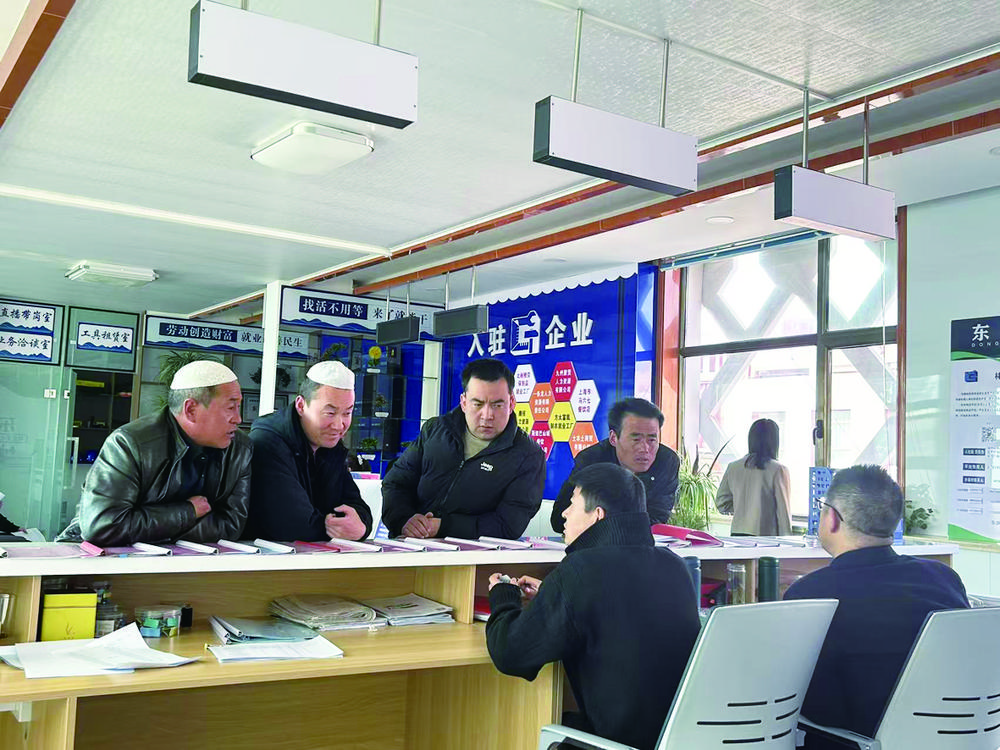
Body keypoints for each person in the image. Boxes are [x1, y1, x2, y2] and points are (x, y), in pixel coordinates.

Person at [486, 463, 700, 750]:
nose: (564, 513)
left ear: (597, 515)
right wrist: (552, 593)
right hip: (679, 739)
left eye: (572, 504)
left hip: (615, 742)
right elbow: (617, 603)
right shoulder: (674, 565)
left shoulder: (580, 570)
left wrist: (503, 595)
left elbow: (510, 653)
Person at [784, 465, 969, 748]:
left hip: (852, 741)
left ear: (831, 518)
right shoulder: (944, 579)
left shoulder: (809, 594)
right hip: (948, 738)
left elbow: (796, 697)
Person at [57, 360, 251, 546]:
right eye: (230, 407)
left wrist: (150, 527)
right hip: (93, 557)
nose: (238, 418)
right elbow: (103, 526)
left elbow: (230, 527)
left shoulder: (240, 449)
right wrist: (189, 511)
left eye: (239, 407)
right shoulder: (130, 444)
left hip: (185, 560)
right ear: (191, 409)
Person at [381, 357, 545, 539]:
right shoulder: (435, 431)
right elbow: (396, 483)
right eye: (478, 404)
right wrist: (404, 520)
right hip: (408, 545)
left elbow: (507, 525)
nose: (487, 415)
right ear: (464, 402)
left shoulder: (528, 456)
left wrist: (442, 527)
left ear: (512, 403)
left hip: (472, 554)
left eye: (497, 405)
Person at [245, 361, 372, 542]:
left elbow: (358, 508)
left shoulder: (330, 447)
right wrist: (341, 528)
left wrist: (361, 528)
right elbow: (294, 524)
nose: (339, 425)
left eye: (347, 413)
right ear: (301, 405)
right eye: (330, 413)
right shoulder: (267, 443)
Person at [551, 397, 679, 533]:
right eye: (636, 439)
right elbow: (560, 519)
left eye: (652, 440)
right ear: (613, 438)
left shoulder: (667, 461)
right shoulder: (591, 460)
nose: (645, 448)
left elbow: (657, 518)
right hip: (596, 541)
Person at [714, 418, 791, 535]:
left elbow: (721, 503)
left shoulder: (733, 467)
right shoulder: (778, 470)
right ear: (775, 441)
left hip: (737, 534)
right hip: (764, 538)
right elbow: (783, 514)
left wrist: (742, 509)